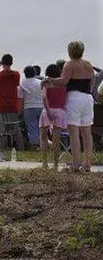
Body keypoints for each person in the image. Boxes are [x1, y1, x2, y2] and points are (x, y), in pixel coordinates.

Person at [44, 41, 95, 171]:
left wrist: (50, 79)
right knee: (87, 133)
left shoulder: (69, 64)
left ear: (70, 51)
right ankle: (87, 163)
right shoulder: (88, 64)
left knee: (74, 133)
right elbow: (92, 81)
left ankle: (75, 163)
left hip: (74, 98)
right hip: (88, 98)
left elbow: (63, 81)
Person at [0, 54, 25, 151]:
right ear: (12, 63)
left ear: (2, 63)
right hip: (12, 105)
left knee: (0, 129)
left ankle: (0, 148)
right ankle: (20, 147)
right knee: (15, 128)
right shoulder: (16, 74)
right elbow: (17, 84)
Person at [39, 64, 66, 169]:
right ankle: (55, 164)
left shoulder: (46, 84)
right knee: (56, 139)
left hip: (47, 110)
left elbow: (44, 98)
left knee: (43, 137)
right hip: (60, 111)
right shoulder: (64, 85)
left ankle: (44, 162)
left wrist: (48, 110)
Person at [19, 66, 43, 148]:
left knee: (32, 128)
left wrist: (20, 110)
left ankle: (35, 145)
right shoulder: (40, 82)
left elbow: (21, 98)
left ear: (25, 74)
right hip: (41, 107)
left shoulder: (22, 84)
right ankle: (43, 144)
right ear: (34, 73)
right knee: (42, 128)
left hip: (29, 108)